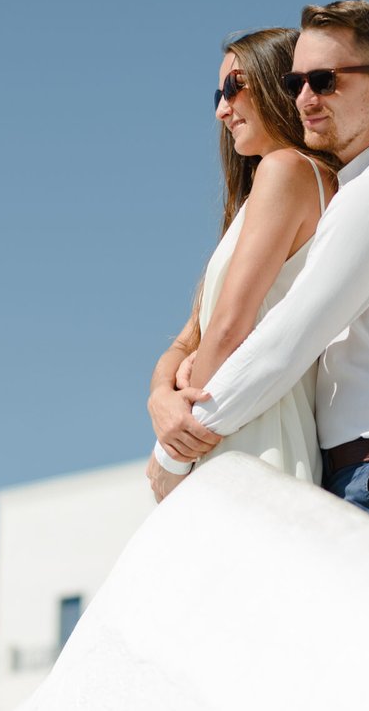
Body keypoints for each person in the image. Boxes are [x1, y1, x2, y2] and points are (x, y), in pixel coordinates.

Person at [148, 0, 369, 565]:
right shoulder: (360, 189)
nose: (304, 97)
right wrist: (163, 395)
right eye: (295, 81)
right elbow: (203, 333)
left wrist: (175, 451)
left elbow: (284, 340)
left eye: (323, 81)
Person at [144, 27, 339, 497]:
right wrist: (159, 399)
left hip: (250, 431)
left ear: (277, 83)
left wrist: (173, 450)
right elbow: (191, 335)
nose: (221, 108)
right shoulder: (263, 193)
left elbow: (229, 329)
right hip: (222, 424)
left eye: (235, 86)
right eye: (218, 92)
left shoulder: (288, 170)